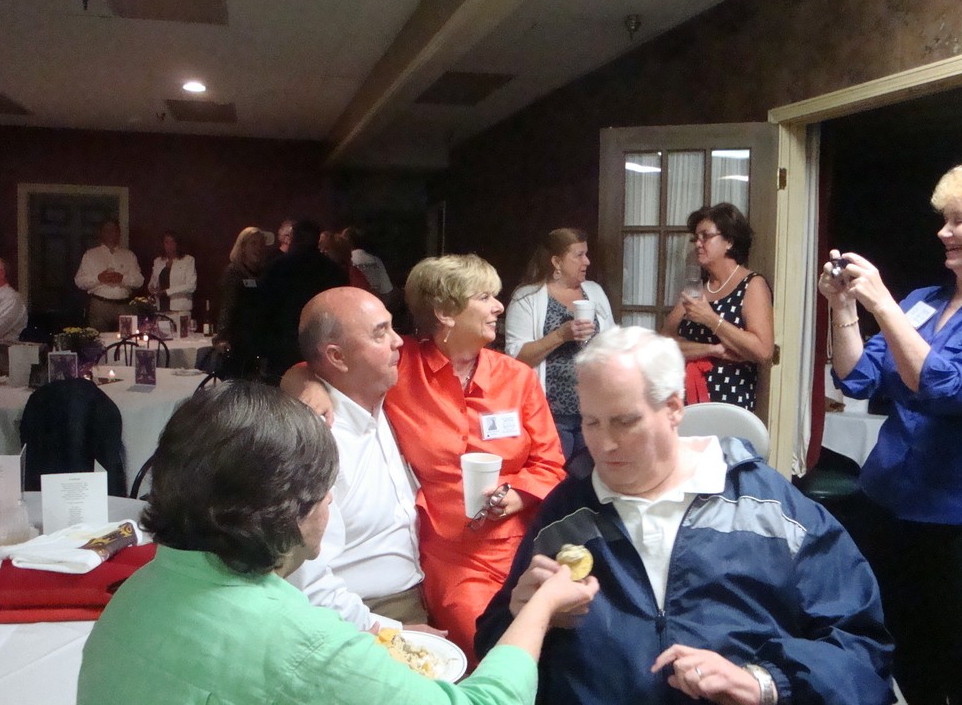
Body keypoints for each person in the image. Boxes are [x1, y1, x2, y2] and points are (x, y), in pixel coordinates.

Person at [77, 381, 598, 705]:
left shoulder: (138, 591)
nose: (332, 504)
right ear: (287, 510)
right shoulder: (302, 645)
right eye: (327, 492)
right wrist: (540, 609)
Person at [476, 326, 894, 705]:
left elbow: (861, 648)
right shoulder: (565, 514)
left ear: (674, 408)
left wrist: (764, 683)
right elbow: (494, 650)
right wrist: (522, 614)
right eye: (591, 422)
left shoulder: (769, 508)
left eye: (625, 421)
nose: (604, 443)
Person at [282, 254, 567, 665]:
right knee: (495, 647)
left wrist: (518, 493)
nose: (498, 306)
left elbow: (551, 464)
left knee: (563, 641)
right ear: (445, 313)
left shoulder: (516, 377)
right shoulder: (401, 370)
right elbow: (326, 364)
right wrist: (304, 384)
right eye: (484, 296)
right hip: (449, 553)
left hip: (521, 540)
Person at [818, 163, 962, 705]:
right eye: (943, 220)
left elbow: (945, 388)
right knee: (899, 652)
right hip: (885, 506)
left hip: (952, 522)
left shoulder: (902, 306)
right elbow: (856, 375)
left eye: (957, 221)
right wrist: (843, 306)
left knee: (954, 658)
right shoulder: (925, 300)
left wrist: (881, 303)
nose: (943, 232)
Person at [285, 286, 432, 632]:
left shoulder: (388, 397)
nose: (398, 341)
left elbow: (302, 370)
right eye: (380, 333)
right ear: (337, 357)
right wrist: (390, 631)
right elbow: (303, 577)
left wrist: (300, 378)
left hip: (425, 585)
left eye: (392, 327)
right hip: (364, 611)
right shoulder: (318, 442)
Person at [505, 228, 614, 470]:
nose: (587, 261)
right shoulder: (528, 297)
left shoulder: (594, 292)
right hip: (551, 414)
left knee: (591, 479)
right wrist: (560, 335)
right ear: (556, 261)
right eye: (579, 255)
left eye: (586, 254)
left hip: (593, 412)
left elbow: (612, 342)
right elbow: (516, 359)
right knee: (553, 477)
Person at [661, 202, 773, 411]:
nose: (698, 244)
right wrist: (712, 350)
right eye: (696, 238)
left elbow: (763, 351)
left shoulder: (752, 284)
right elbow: (664, 343)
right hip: (684, 401)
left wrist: (711, 319)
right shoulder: (698, 288)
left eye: (705, 236)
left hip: (728, 403)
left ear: (729, 241)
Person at [260, 220, 348, 379]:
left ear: (294, 237)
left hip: (282, 343)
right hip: (321, 344)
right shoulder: (333, 270)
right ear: (318, 239)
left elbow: (263, 307)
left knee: (282, 388)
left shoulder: (276, 267)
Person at [213, 226, 266, 378]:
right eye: (253, 243)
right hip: (237, 340)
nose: (258, 248)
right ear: (242, 247)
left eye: (261, 244)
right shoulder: (233, 272)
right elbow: (227, 306)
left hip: (257, 339)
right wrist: (222, 337)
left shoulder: (263, 273)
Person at [74, 219, 144, 331]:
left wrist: (123, 279)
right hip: (100, 305)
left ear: (119, 233)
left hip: (124, 305)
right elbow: (79, 281)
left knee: (127, 338)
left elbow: (139, 281)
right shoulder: (91, 255)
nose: (110, 233)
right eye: (107, 230)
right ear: (101, 233)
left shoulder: (129, 255)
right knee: (100, 338)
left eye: (114, 230)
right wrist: (98, 279)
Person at [146, 230, 196, 314]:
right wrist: (152, 288)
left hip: (180, 308)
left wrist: (167, 291)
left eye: (172, 242)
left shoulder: (188, 260)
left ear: (178, 244)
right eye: (166, 242)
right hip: (161, 307)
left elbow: (191, 286)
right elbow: (153, 282)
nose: (170, 245)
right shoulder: (158, 261)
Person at [341, 225, 394, 299]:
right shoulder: (376, 260)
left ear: (345, 243)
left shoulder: (348, 262)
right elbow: (387, 290)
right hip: (378, 301)